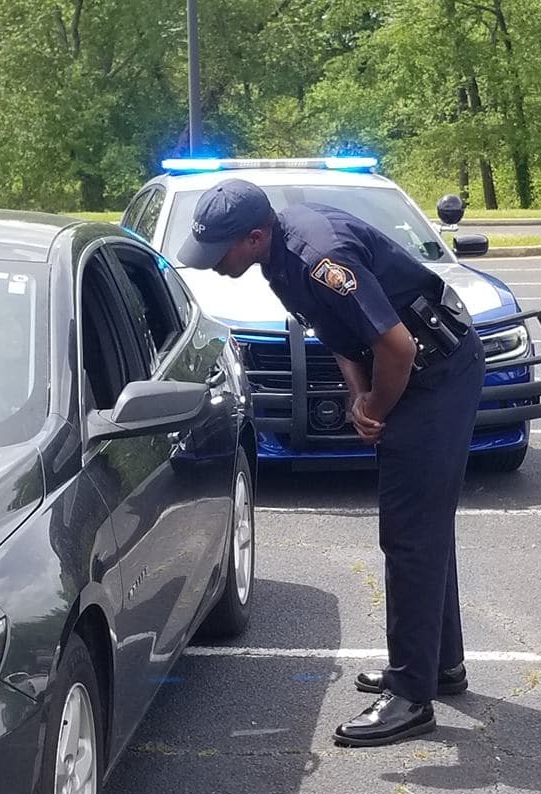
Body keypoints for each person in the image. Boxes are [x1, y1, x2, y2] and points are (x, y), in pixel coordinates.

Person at [178, 179, 486, 747]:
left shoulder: (319, 256)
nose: (214, 264)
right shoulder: (274, 257)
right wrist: (358, 393)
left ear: (254, 235)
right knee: (425, 526)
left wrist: (374, 407)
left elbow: (400, 347)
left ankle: (412, 698)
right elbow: (341, 335)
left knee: (410, 534)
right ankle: (438, 667)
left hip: (437, 372)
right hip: (407, 370)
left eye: (221, 250)